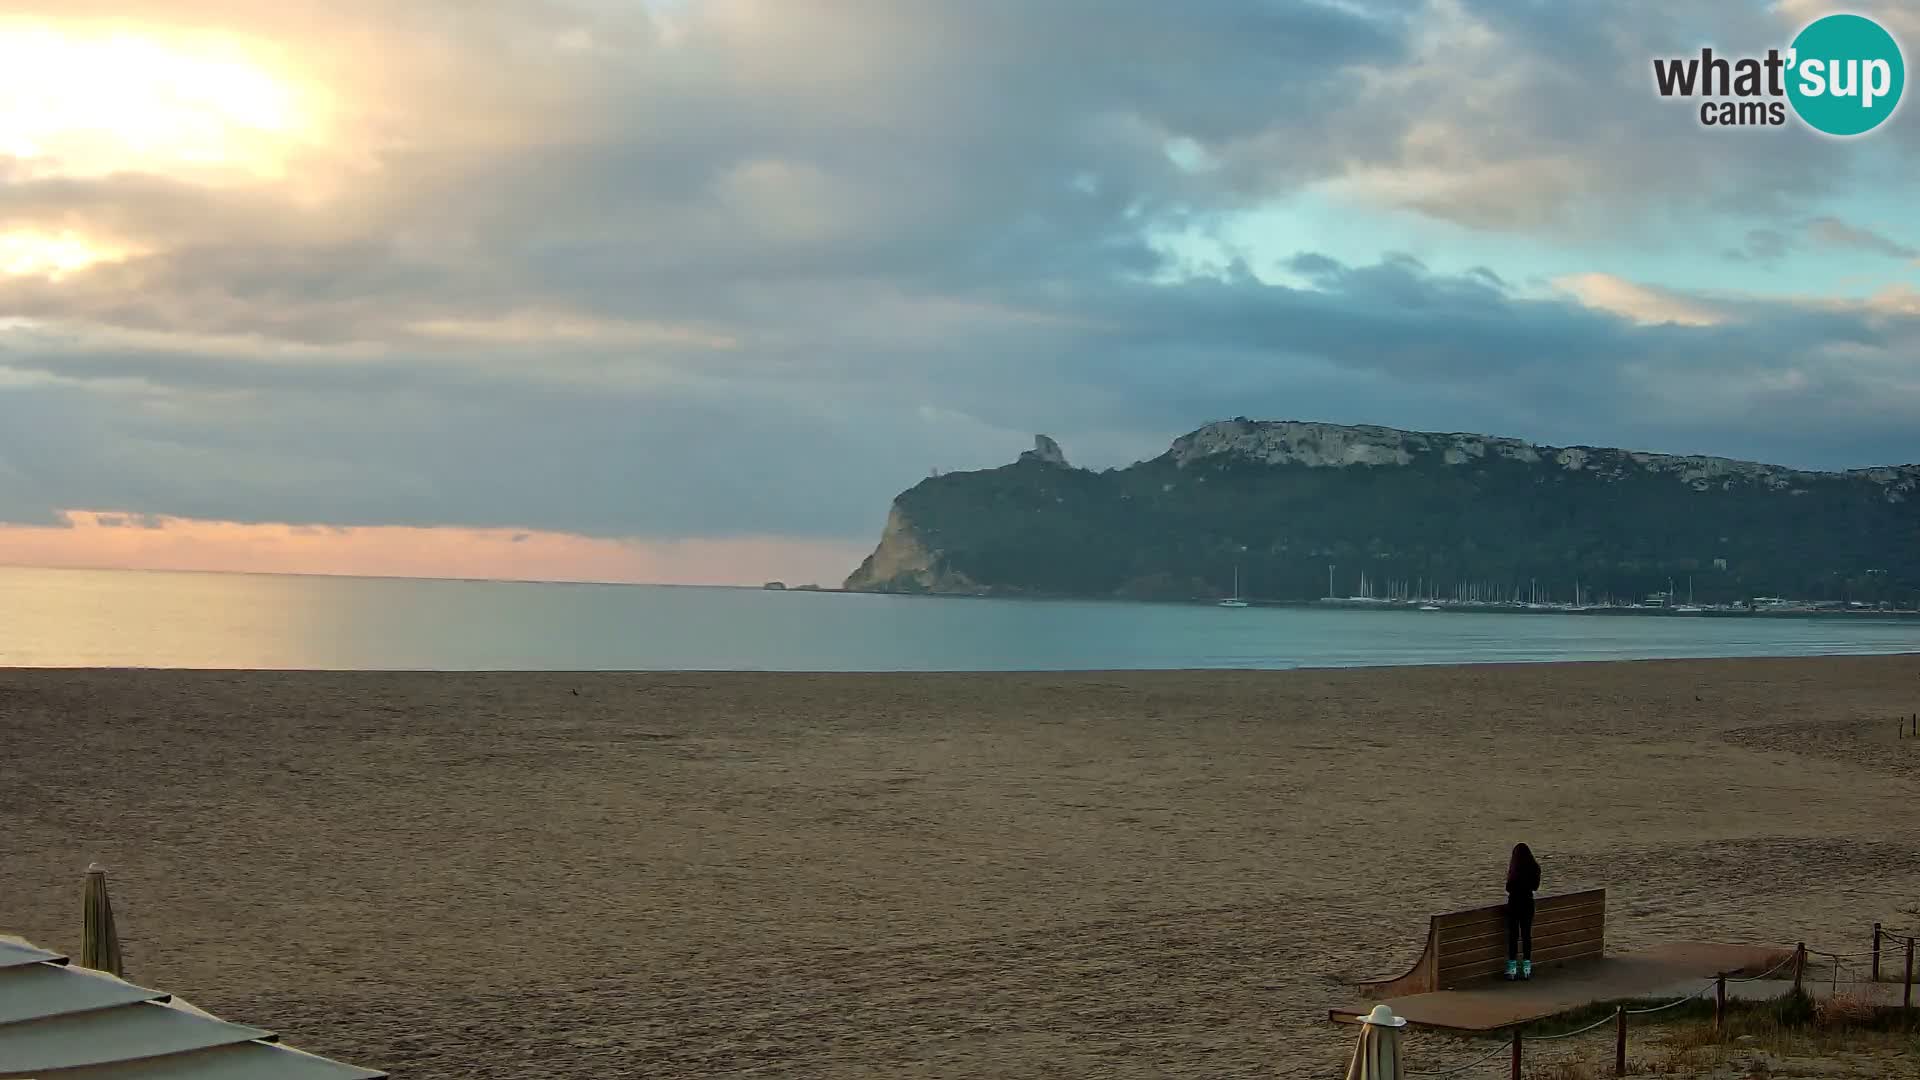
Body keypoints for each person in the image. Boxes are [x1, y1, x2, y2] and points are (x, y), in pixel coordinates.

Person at [1505, 842, 1541, 980]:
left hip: (1514, 903)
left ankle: (1512, 970)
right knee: (1526, 936)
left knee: (1513, 937)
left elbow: (1508, 887)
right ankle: (1526, 969)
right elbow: (1535, 887)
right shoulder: (1535, 868)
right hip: (1528, 903)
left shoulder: (1515, 869)